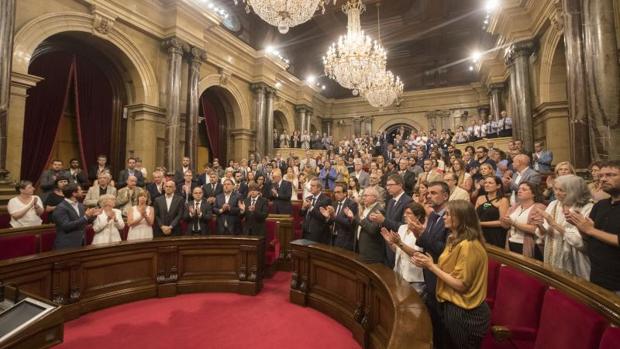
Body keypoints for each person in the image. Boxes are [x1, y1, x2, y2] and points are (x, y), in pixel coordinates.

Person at [412, 200, 490, 349]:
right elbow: (449, 271)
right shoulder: (454, 239)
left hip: (466, 313)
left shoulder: (468, 245)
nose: (444, 217)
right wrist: (429, 264)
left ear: (461, 218)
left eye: (448, 214)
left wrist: (431, 266)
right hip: (452, 306)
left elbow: (461, 285)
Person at [566, 161, 620, 293]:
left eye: (610, 175)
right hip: (597, 275)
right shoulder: (600, 205)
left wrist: (591, 230)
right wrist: (581, 227)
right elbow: (591, 237)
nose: (603, 179)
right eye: (601, 175)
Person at [534, 175, 592, 279]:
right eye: (555, 189)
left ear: (574, 191)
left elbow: (579, 241)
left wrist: (554, 224)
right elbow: (545, 233)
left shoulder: (586, 208)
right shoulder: (554, 204)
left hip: (576, 259)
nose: (556, 193)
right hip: (553, 254)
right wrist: (539, 225)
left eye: (561, 190)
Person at [414, 181, 450, 347]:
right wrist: (419, 235)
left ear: (446, 196)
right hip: (430, 274)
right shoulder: (434, 216)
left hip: (442, 276)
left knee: (443, 326)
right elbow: (428, 244)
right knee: (433, 320)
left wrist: (422, 234)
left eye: (434, 193)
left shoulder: (450, 218)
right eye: (428, 193)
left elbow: (445, 251)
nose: (428, 196)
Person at [380, 202, 426, 294]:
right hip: (399, 273)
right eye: (405, 213)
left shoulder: (422, 230)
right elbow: (398, 250)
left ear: (418, 216)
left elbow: (417, 254)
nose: (405, 215)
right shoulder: (402, 227)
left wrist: (399, 243)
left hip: (414, 277)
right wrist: (390, 243)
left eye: (408, 213)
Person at [369, 174, 413, 268]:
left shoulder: (408, 201)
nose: (387, 188)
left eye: (390, 185)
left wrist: (383, 220)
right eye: (386, 185)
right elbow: (387, 221)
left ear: (400, 185)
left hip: (399, 244)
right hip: (388, 242)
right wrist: (379, 220)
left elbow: (404, 226)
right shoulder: (391, 201)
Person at [501, 182, 546, 260]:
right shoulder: (515, 206)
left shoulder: (539, 207)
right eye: (519, 189)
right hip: (511, 242)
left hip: (529, 245)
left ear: (533, 194)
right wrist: (503, 221)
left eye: (524, 189)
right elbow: (506, 226)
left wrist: (514, 223)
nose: (519, 191)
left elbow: (535, 229)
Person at [52, 184, 100, 250]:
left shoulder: (80, 205)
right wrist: (86, 217)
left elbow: (83, 221)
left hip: (81, 242)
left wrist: (93, 215)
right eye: (80, 190)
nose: (82, 192)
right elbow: (66, 226)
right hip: (67, 245)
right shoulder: (60, 208)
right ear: (74, 193)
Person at [347, 186, 384, 263]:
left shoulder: (379, 210)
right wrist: (352, 218)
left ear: (374, 197)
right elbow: (359, 224)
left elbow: (372, 230)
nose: (363, 198)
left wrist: (362, 218)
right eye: (363, 195)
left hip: (371, 253)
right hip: (359, 248)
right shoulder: (364, 208)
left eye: (366, 195)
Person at [475, 176, 510, 248]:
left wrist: (480, 223)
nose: (486, 185)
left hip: (495, 235)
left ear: (498, 186)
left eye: (490, 183)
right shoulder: (480, 198)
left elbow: (502, 222)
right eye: (485, 183)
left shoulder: (503, 200)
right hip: (479, 233)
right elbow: (474, 216)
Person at [323, 183, 358, 250]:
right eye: (335, 192)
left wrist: (335, 215)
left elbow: (349, 223)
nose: (336, 194)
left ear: (345, 193)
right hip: (333, 238)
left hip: (345, 240)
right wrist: (327, 217)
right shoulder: (334, 203)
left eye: (338, 192)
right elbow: (331, 222)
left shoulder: (352, 204)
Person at [300, 178, 332, 244]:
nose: (310, 188)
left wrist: (311, 207)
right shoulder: (308, 198)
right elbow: (301, 214)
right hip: (305, 231)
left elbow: (322, 217)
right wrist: (303, 208)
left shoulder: (326, 200)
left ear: (319, 188)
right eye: (310, 185)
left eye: (313, 186)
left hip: (317, 234)